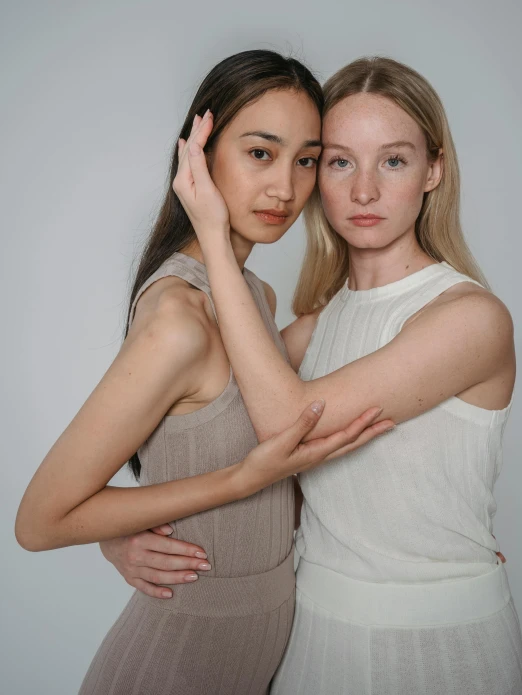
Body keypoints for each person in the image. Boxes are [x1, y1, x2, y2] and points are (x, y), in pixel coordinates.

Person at [15, 50, 393, 695]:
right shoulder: (179, 320)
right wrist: (236, 482)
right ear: (201, 152)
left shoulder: (255, 300)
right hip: (172, 663)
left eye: (306, 160)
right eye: (259, 153)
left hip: (257, 658)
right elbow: (39, 522)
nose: (285, 188)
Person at [173, 56, 522, 694]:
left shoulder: (471, 319)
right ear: (315, 175)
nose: (364, 191)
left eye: (393, 160)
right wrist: (127, 534)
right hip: (312, 634)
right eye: (338, 161)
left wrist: (215, 239)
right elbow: (197, 433)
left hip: (440, 646)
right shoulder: (317, 326)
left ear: (433, 171)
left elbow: (285, 420)